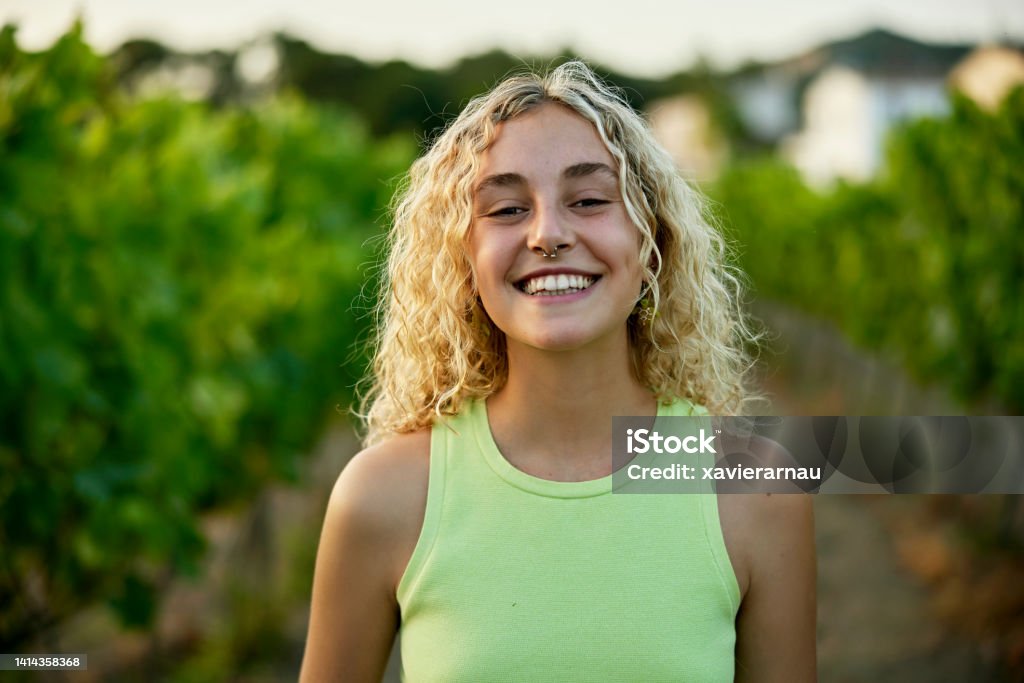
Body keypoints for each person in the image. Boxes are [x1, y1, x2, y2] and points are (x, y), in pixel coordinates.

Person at [300, 61, 816, 682]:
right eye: (507, 209)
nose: (547, 234)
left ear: (652, 239)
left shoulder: (755, 490)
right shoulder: (383, 498)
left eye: (591, 199)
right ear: (464, 257)